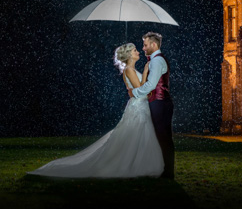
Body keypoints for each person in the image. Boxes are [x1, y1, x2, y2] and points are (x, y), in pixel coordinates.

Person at [26, 42, 163, 178]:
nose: (138, 52)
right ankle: (130, 165)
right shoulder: (129, 70)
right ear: (128, 55)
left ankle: (139, 164)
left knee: (140, 134)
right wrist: (146, 72)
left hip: (140, 105)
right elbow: (140, 89)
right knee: (135, 134)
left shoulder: (132, 70)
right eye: (134, 51)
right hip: (138, 106)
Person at [129, 31, 174, 179]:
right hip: (160, 102)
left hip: (160, 103)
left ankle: (167, 172)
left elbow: (151, 85)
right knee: (162, 137)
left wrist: (135, 92)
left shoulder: (156, 61)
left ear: (154, 45)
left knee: (163, 137)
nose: (143, 48)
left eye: (145, 44)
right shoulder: (156, 60)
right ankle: (165, 170)